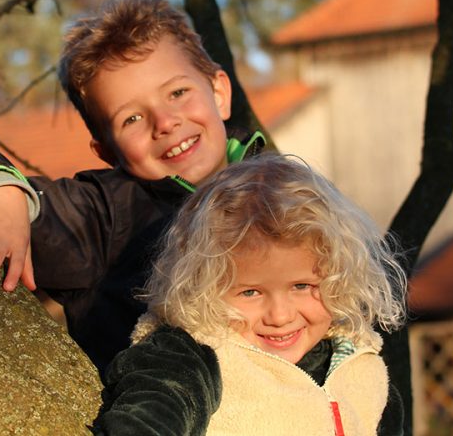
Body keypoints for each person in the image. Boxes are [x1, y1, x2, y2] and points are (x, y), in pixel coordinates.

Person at [0, 0, 266, 373]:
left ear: (219, 93)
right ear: (107, 152)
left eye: (178, 93)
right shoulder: (102, 216)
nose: (165, 122)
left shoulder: (279, 188)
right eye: (131, 118)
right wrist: (4, 195)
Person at [90, 153, 407, 436]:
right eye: (251, 292)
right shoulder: (190, 357)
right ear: (204, 288)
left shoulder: (364, 369)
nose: (280, 316)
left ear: (339, 278)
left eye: (301, 286)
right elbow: (152, 413)